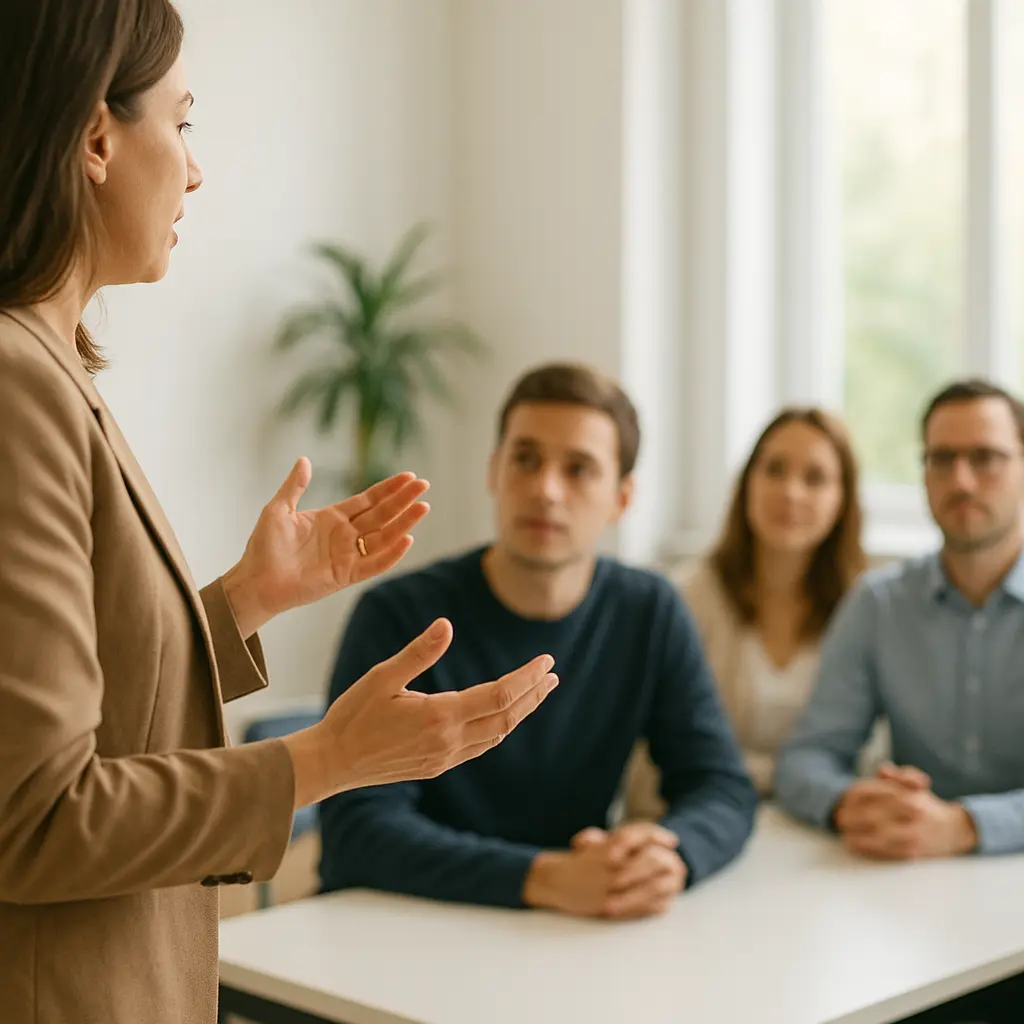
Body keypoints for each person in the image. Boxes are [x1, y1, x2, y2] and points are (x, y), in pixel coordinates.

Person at [0, 4, 557, 1023]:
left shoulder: (48, 373)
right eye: (183, 123)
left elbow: (98, 711)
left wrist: (241, 602)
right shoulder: (15, 386)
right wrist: (328, 759)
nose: (196, 171)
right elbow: (33, 818)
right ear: (94, 138)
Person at [319, 362, 758, 919]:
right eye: (525, 459)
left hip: (559, 930)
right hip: (395, 922)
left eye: (579, 469)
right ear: (494, 470)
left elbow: (722, 785)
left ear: (622, 498)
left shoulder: (648, 610)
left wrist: (670, 854)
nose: (546, 490)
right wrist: (543, 877)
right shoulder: (397, 615)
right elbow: (357, 828)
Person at [776, 379, 1024, 861]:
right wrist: (852, 803)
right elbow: (807, 756)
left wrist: (965, 826)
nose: (961, 481)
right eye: (941, 459)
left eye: (985, 458)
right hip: (908, 874)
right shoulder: (879, 603)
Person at [626, 407, 867, 813]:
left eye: (815, 478)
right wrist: (789, 779)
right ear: (746, 483)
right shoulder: (685, 600)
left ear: (843, 499)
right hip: (699, 818)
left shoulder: (861, 609)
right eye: (774, 470)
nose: (791, 492)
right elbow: (654, 762)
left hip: (818, 827)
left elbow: (865, 759)